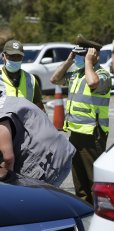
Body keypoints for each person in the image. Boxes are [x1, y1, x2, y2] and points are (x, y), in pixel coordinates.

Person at [0, 72, 75, 188]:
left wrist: (1, 188)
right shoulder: (2, 101)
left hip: (50, 163)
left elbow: (7, 159)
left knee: (30, 203)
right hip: (56, 153)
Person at [50, 34, 111, 204]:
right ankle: (85, 209)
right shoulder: (77, 74)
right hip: (76, 132)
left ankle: (101, 213)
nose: (79, 59)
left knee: (94, 178)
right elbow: (54, 79)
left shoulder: (102, 75)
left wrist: (89, 63)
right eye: (77, 55)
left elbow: (93, 83)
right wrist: (69, 60)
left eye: (81, 55)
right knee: (79, 180)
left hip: (93, 134)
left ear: (94, 55)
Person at [0, 39, 45, 112]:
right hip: (0, 122)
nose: (15, 60)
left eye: (18, 56)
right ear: (3, 56)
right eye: (11, 56)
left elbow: (39, 107)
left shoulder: (31, 79)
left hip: (25, 122)